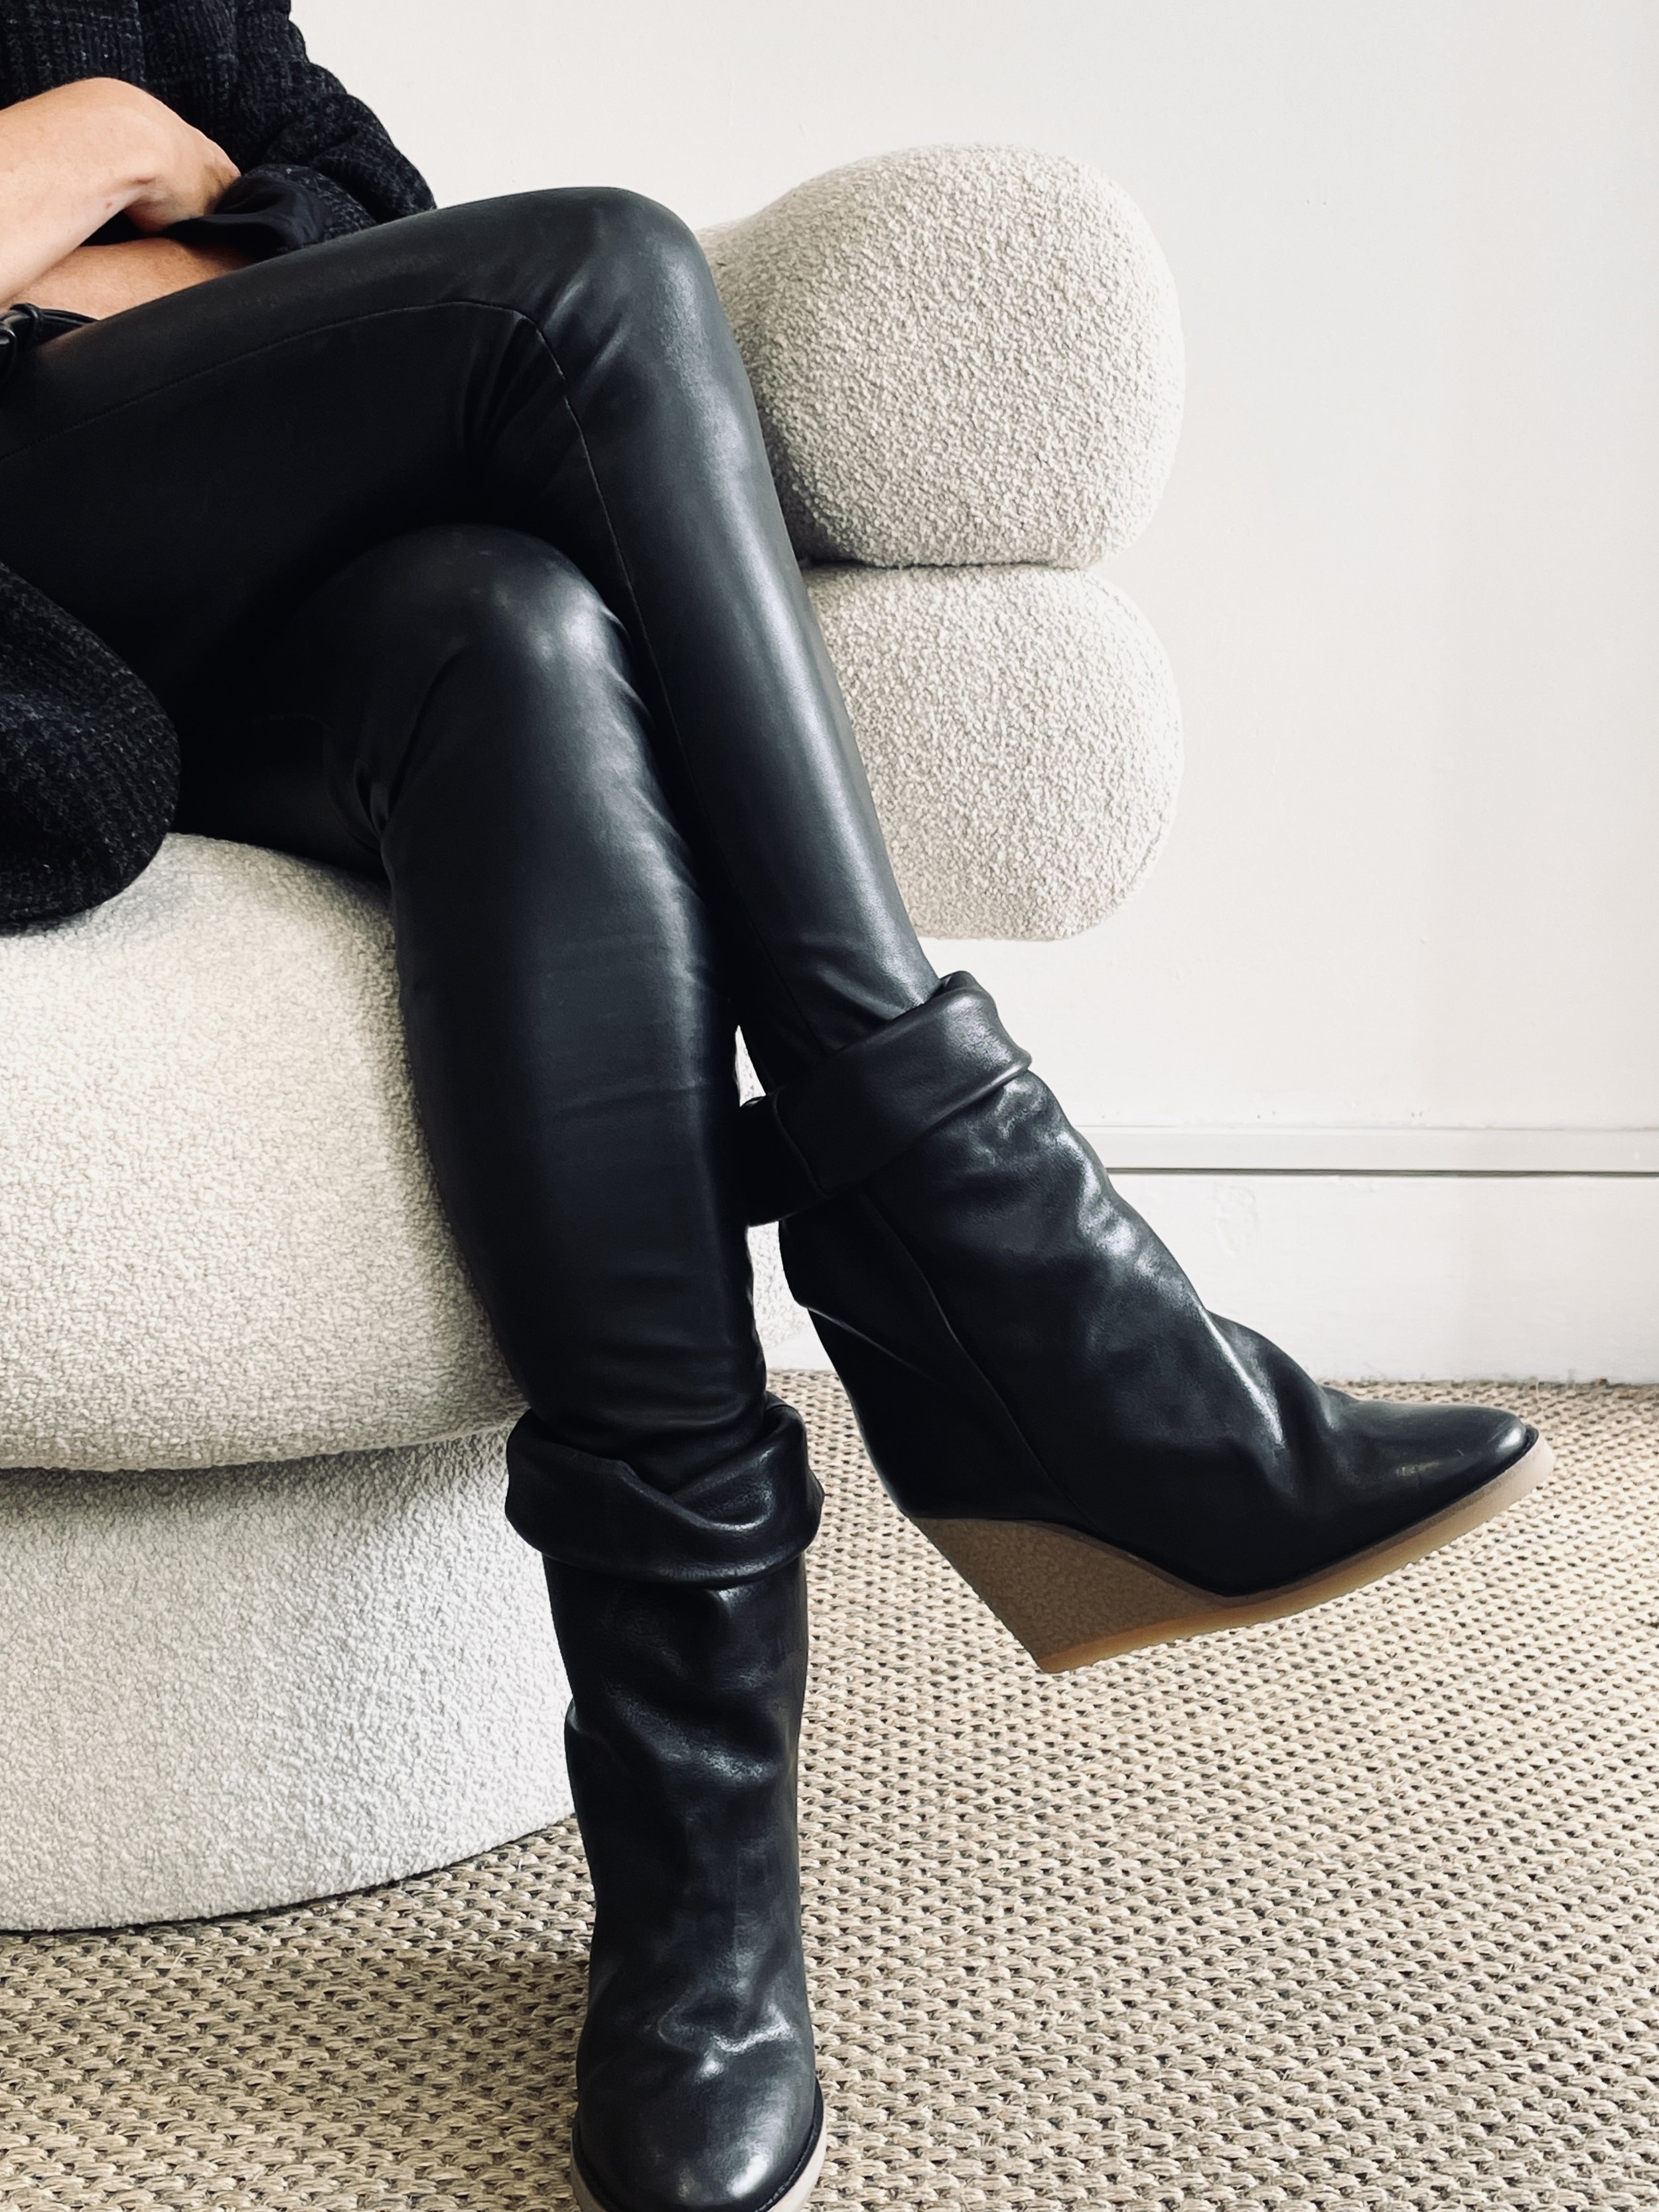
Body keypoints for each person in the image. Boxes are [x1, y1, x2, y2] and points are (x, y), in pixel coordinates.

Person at [0, 13, 1550, 2212]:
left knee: (509, 626)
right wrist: (88, 157)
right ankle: (997, 1268)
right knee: (598, 277)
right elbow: (380, 278)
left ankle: (695, 1888)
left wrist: (153, 234)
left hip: (193, 581)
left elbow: (369, 209)